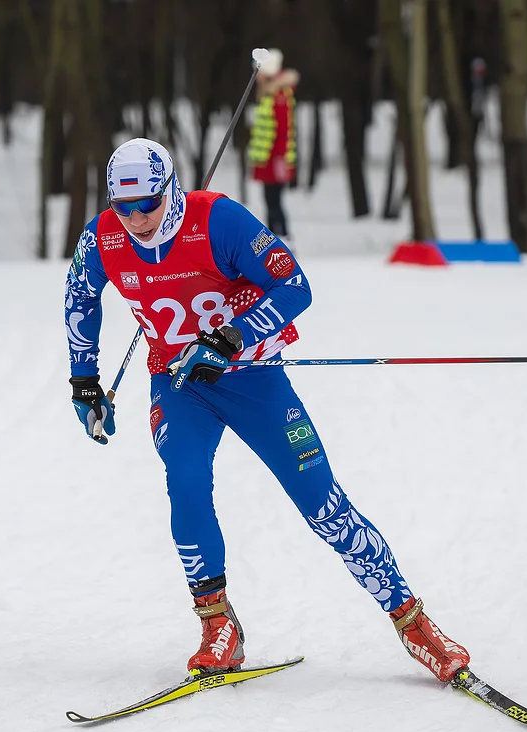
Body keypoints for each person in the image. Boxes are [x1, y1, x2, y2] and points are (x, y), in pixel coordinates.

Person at [64, 137, 470, 681]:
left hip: (251, 376)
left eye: (148, 205)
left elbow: (294, 285)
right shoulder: (104, 236)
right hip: (178, 381)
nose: (136, 219)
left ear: (170, 190)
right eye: (123, 207)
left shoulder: (220, 220)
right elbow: (80, 296)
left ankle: (413, 622)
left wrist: (230, 339)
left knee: (321, 502)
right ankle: (217, 625)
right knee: (184, 482)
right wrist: (85, 381)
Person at [247, 48, 297, 244]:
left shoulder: (279, 95)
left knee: (274, 201)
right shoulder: (269, 95)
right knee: (270, 201)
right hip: (267, 159)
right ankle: (274, 236)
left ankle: (282, 237)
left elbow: (282, 131)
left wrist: (279, 159)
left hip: (274, 160)